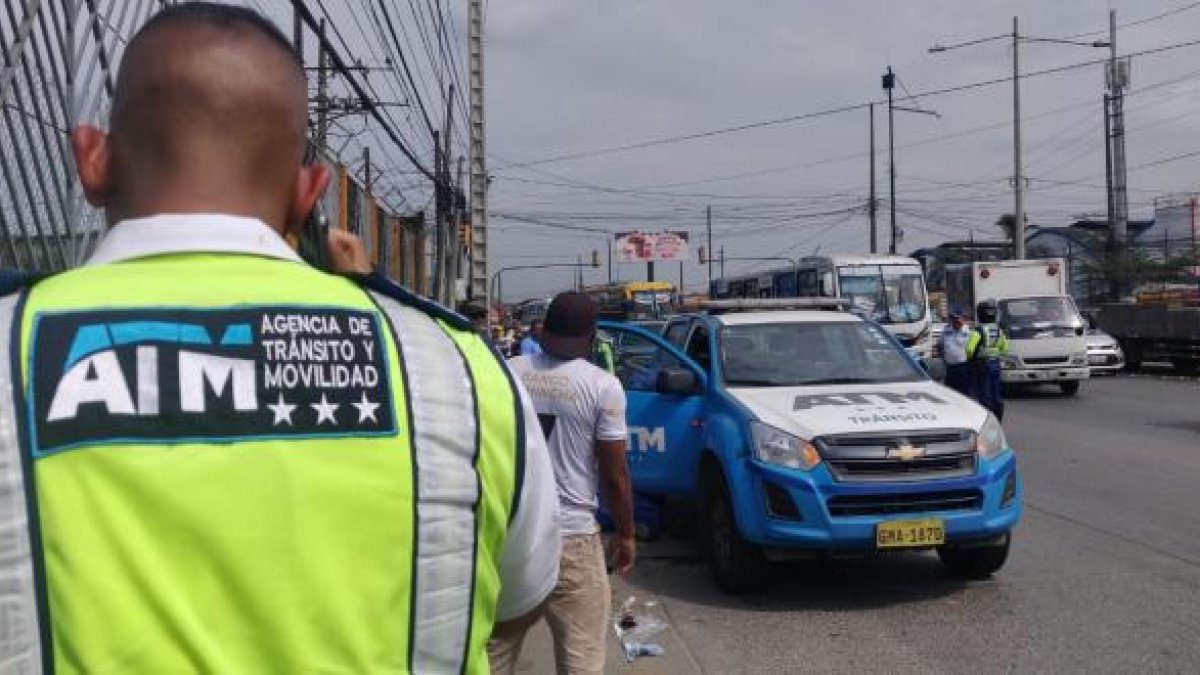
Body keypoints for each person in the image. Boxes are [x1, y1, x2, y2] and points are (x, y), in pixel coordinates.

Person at [0, 4, 560, 672]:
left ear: (92, 158)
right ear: (308, 194)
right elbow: (518, 597)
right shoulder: (458, 375)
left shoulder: (15, 349)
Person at [490, 292, 635, 675]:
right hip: (573, 537)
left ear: (544, 329)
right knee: (582, 658)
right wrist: (627, 534)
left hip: (512, 534)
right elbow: (615, 476)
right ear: (591, 338)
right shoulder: (602, 386)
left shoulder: (507, 370)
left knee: (494, 654)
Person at [967, 299, 1010, 421]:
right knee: (995, 393)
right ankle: (998, 420)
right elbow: (1005, 349)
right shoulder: (999, 331)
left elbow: (969, 350)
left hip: (981, 366)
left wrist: (970, 359)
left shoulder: (978, 331)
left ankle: (985, 421)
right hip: (995, 365)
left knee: (983, 394)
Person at [940, 310, 973, 396]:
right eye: (953, 319)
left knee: (965, 393)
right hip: (950, 367)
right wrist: (943, 358)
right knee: (950, 393)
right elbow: (940, 345)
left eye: (958, 319)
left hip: (964, 367)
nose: (956, 321)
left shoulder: (968, 330)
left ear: (963, 319)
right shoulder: (946, 329)